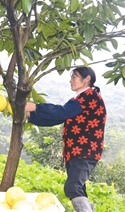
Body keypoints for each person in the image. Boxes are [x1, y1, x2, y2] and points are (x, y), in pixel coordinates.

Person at [25, 67, 106, 212]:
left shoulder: (89, 97)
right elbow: (58, 118)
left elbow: (61, 112)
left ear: (87, 79)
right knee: (78, 188)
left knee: (73, 186)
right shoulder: (79, 99)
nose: (70, 80)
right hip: (77, 152)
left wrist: (34, 107)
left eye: (74, 77)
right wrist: (31, 116)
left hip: (85, 151)